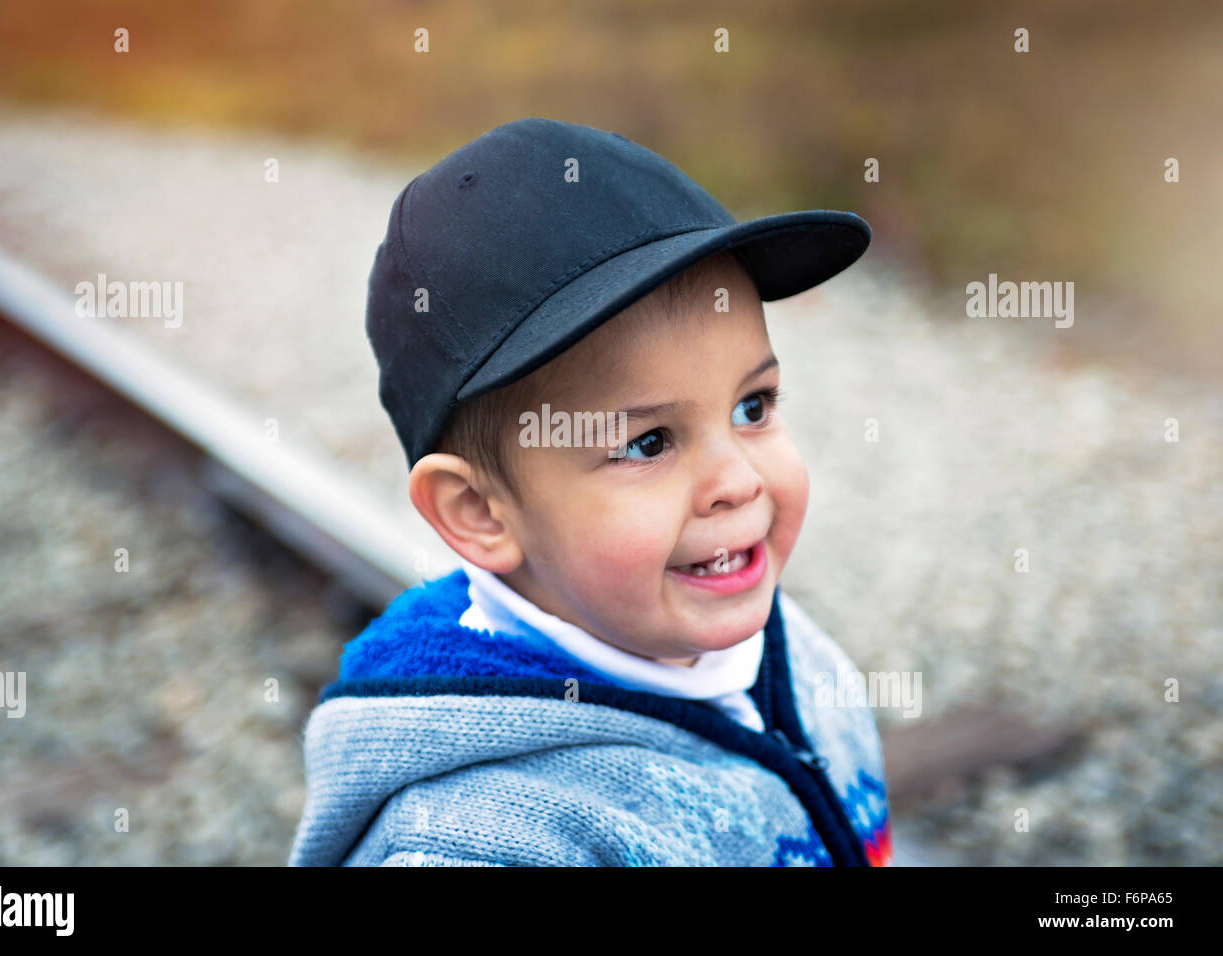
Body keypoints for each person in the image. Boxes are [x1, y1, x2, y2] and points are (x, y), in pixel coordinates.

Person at [289, 117, 892, 866]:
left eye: (753, 407)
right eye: (647, 443)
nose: (738, 479)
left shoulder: (791, 650)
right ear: (477, 513)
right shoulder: (483, 843)